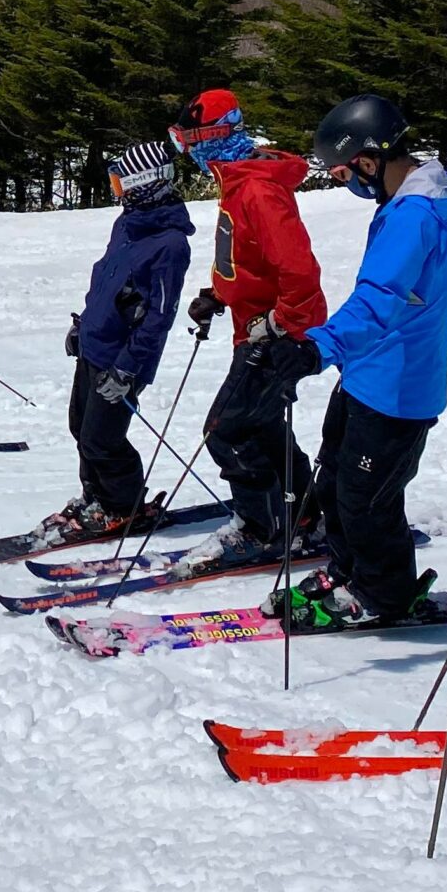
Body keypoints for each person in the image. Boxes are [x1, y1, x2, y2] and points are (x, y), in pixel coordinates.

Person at [245, 95, 447, 629]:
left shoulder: (415, 218)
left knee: (367, 501)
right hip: (367, 377)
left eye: (343, 173)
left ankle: (384, 594)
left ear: (370, 162)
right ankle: (348, 571)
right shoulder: (403, 206)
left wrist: (314, 348)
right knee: (335, 487)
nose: (344, 184)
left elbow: (378, 300)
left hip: (399, 390)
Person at [169, 89, 328, 552]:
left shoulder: (257, 188)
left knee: (227, 429)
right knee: (261, 425)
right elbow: (248, 256)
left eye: (189, 141)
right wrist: (218, 294)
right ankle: (302, 515)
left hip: (278, 335)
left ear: (212, 137)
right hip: (256, 326)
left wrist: (280, 325)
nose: (189, 153)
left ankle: (260, 529)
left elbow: (300, 271)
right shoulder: (238, 179)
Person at [38, 140, 191, 540]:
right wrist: (84, 324)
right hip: (96, 344)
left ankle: (123, 506)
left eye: (120, 183)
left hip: (125, 358)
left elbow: (159, 317)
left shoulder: (170, 245)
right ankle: (96, 496)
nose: (115, 190)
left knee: (103, 438)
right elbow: (107, 281)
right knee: (80, 428)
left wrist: (129, 367)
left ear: (144, 182)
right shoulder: (126, 224)